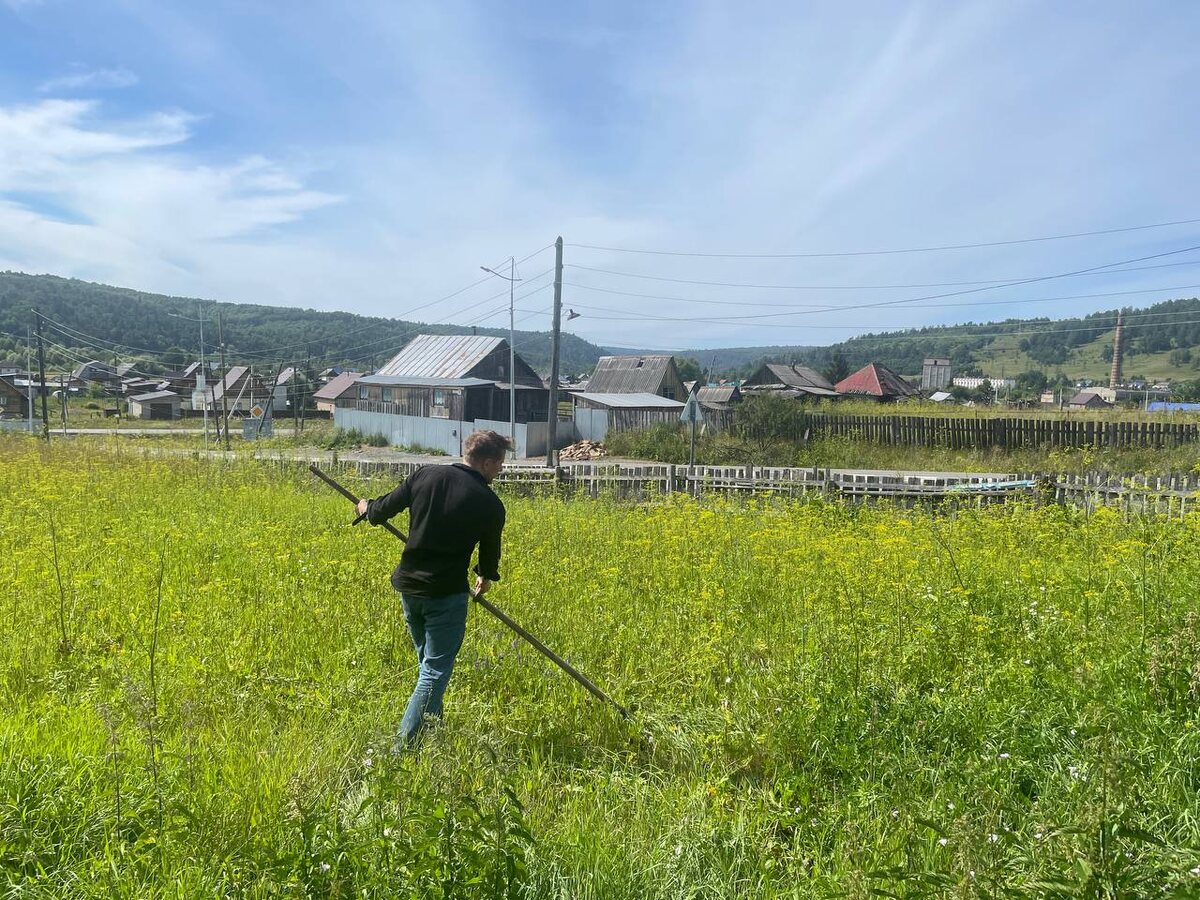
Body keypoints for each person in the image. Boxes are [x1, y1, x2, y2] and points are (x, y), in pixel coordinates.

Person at [356, 429, 511, 747]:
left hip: (410, 588)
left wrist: (365, 508)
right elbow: (489, 552)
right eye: (499, 464)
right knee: (434, 671)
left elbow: (383, 509)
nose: (500, 470)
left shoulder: (425, 475)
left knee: (428, 664)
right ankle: (403, 751)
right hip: (446, 594)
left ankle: (431, 729)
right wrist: (485, 575)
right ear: (485, 462)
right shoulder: (489, 503)